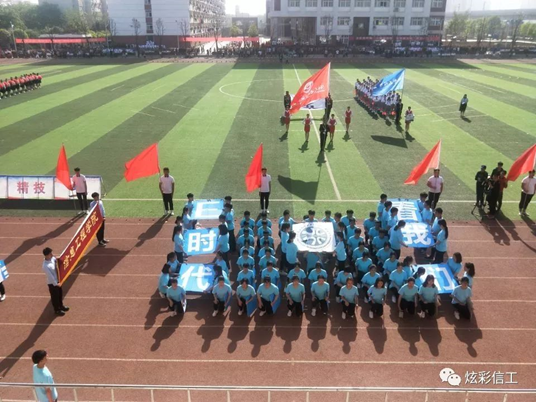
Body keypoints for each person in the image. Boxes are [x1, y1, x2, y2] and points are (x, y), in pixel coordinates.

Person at [42, 248, 69, 316]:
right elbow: (50, 276)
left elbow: (55, 259)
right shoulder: (45, 266)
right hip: (52, 284)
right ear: (46, 255)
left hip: (58, 281)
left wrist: (58, 258)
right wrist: (56, 284)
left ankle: (61, 306)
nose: (52, 254)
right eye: (50, 254)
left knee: (60, 294)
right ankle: (57, 310)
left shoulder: (52, 258)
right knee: (55, 297)